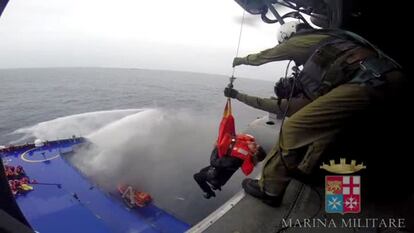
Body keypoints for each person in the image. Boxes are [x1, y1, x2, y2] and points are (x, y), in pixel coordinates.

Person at [225, 21, 406, 206]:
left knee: (291, 130)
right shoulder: (330, 39)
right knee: (332, 134)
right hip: (387, 77)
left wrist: (240, 63)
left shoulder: (300, 43)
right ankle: (309, 174)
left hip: (368, 82)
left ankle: (270, 190)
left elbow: (266, 78)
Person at [194, 134, 266, 199]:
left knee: (197, 177)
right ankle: (216, 186)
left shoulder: (235, 159)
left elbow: (214, 162)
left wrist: (216, 147)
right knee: (202, 171)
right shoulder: (242, 156)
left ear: (253, 153)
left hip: (215, 176)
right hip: (221, 175)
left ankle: (209, 193)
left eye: (255, 146)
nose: (254, 143)